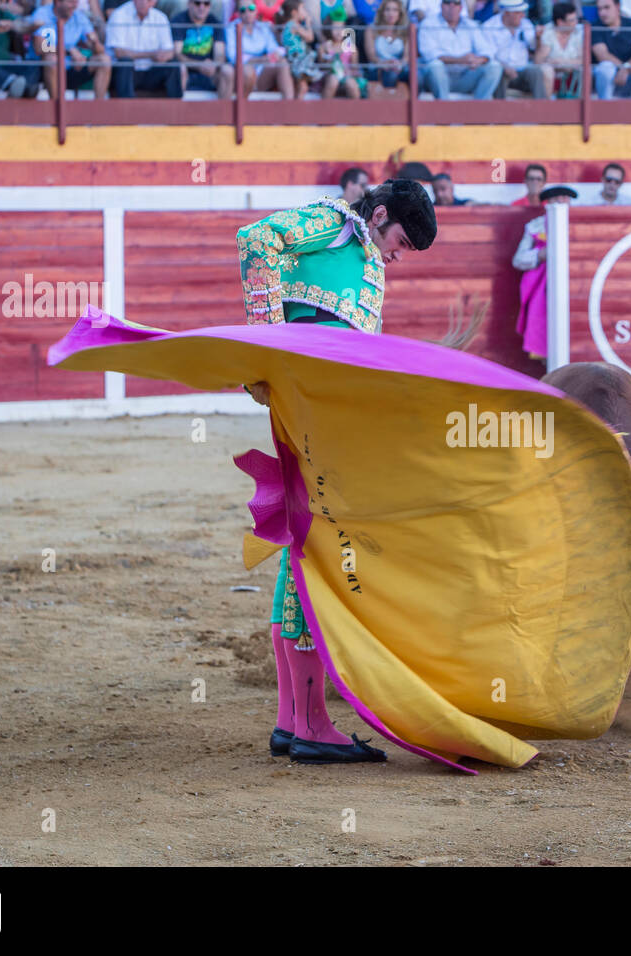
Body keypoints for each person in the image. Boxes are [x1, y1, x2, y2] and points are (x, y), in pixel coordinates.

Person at [237, 180, 438, 764]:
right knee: (319, 542)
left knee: (305, 540)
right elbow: (258, 238)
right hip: (316, 402)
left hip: (324, 404)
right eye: (399, 241)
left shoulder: (360, 249)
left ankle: (291, 720)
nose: (398, 256)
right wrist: (265, 344)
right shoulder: (336, 223)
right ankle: (313, 725)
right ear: (378, 214)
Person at [513, 184, 576, 360]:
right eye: (558, 200)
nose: (562, 204)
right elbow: (518, 260)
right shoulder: (535, 227)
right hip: (545, 291)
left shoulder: (578, 225)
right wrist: (539, 255)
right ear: (548, 204)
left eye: (565, 200)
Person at [418, 0, 503, 100]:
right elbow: (429, 54)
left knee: (494, 66)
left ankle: (480, 109)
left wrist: (478, 60)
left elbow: (486, 50)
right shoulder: (428, 23)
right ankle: (444, 109)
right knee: (435, 66)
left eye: (456, 3)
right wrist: (461, 60)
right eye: (448, 2)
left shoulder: (470, 24)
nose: (452, 6)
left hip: (466, 75)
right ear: (441, 6)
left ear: (461, 7)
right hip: (439, 77)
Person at [29, 0, 111, 98]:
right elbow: (42, 48)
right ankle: (57, 107)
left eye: (76, 2)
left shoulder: (79, 16)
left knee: (104, 60)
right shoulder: (43, 14)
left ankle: (99, 107)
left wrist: (94, 43)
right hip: (43, 71)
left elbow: (100, 50)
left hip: (71, 68)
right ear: (58, 2)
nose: (75, 6)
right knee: (52, 59)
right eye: (71, 2)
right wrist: (69, 51)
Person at [106, 0, 180, 98]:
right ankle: (126, 109)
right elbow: (119, 52)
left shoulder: (160, 18)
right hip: (126, 74)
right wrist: (152, 55)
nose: (147, 3)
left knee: (173, 64)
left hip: (150, 72)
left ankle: (176, 108)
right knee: (125, 63)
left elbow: (170, 51)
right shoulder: (119, 15)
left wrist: (164, 55)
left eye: (150, 0)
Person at [590, 0, 631, 99]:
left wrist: (627, 67)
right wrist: (628, 69)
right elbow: (602, 55)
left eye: (606, 7)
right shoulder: (595, 27)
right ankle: (604, 106)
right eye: (599, 9)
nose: (602, 13)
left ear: (617, 6)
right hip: (613, 75)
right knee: (606, 67)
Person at [227, 0, 293, 96]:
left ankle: (289, 106)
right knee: (248, 71)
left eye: (251, 9)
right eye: (242, 10)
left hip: (261, 73)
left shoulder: (263, 27)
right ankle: (243, 108)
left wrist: (276, 54)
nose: (247, 13)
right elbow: (233, 56)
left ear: (256, 10)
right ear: (238, 13)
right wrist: (260, 59)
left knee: (282, 63)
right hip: (242, 74)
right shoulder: (231, 29)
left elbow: (274, 47)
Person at [484, 0, 545, 99]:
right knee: (498, 71)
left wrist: (538, 38)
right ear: (507, 13)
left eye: (523, 12)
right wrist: (505, 67)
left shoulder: (526, 24)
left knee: (536, 72)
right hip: (502, 70)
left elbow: (535, 48)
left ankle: (543, 110)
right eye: (518, 12)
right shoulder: (489, 27)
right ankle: (500, 110)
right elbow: (488, 56)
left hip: (522, 70)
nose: (522, 15)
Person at [172, 0, 232, 98]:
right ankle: (178, 112)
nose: (202, 7)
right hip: (187, 72)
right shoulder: (178, 21)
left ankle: (223, 112)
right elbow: (177, 54)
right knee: (180, 69)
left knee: (228, 71)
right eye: (197, 3)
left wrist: (214, 65)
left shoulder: (215, 22)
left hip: (210, 73)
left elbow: (220, 54)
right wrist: (199, 65)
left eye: (206, 3)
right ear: (189, 4)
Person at [363, 0, 412, 99]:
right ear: (382, 12)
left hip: (399, 68)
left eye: (395, 10)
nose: (391, 13)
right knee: (390, 74)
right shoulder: (371, 29)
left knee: (416, 76)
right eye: (387, 10)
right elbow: (371, 55)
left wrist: (399, 64)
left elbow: (407, 56)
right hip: (378, 68)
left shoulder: (405, 30)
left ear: (399, 13)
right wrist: (384, 63)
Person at [533, 1, 582, 98]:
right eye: (571, 20)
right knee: (546, 70)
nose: (576, 23)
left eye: (576, 19)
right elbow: (539, 60)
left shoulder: (580, 31)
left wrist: (560, 62)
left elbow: (584, 60)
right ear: (560, 22)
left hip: (573, 72)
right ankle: (547, 108)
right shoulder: (547, 31)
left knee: (585, 70)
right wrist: (569, 64)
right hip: (554, 74)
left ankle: (584, 109)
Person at [318, 7, 365, 98]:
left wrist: (350, 72)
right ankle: (324, 108)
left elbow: (354, 66)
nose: (339, 32)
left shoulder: (351, 47)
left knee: (351, 84)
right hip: (330, 75)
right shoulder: (324, 47)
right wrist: (327, 55)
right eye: (335, 28)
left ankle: (357, 109)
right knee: (333, 80)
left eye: (341, 28)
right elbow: (322, 66)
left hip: (347, 74)